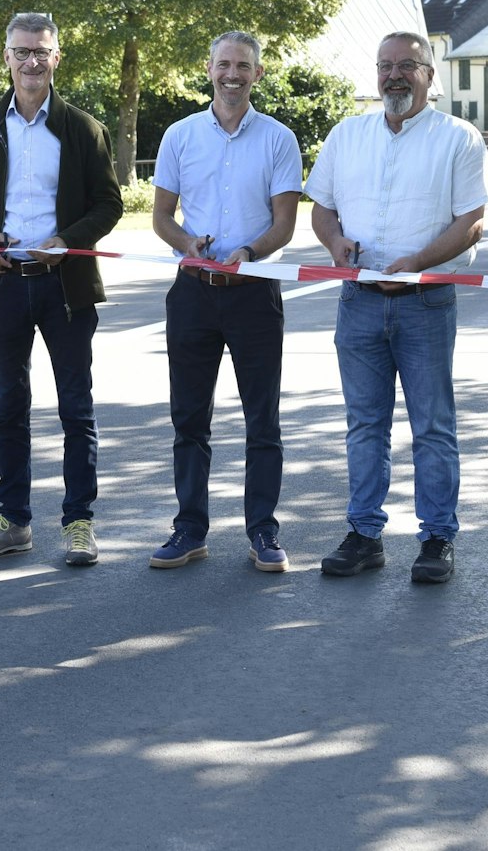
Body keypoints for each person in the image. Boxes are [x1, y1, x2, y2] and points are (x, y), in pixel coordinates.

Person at [307, 31, 488, 584]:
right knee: (365, 425)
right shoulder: (348, 135)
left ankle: (436, 538)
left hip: (425, 303)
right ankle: (364, 533)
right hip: (357, 302)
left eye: (407, 65)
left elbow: (470, 223)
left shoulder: (458, 139)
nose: (394, 75)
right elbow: (323, 209)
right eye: (385, 65)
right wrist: (336, 246)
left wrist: (417, 262)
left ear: (431, 75)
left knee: (432, 425)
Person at [0, 12, 124, 566]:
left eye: (41, 51)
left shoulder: (83, 129)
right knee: (11, 408)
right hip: (4, 286)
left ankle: (79, 523)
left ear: (57, 58)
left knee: (76, 410)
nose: (31, 61)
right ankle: (14, 520)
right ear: (6, 57)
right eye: (21, 51)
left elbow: (108, 203)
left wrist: (66, 240)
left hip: (65, 287)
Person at [148, 31, 302, 572]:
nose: (232, 74)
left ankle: (263, 532)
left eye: (243, 66)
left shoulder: (280, 139)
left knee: (263, 421)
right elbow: (162, 216)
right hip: (193, 294)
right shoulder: (180, 135)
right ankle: (189, 529)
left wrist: (249, 250)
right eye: (223, 65)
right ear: (208, 69)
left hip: (254, 295)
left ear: (258, 74)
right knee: (189, 419)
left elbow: (284, 224)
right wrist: (186, 243)